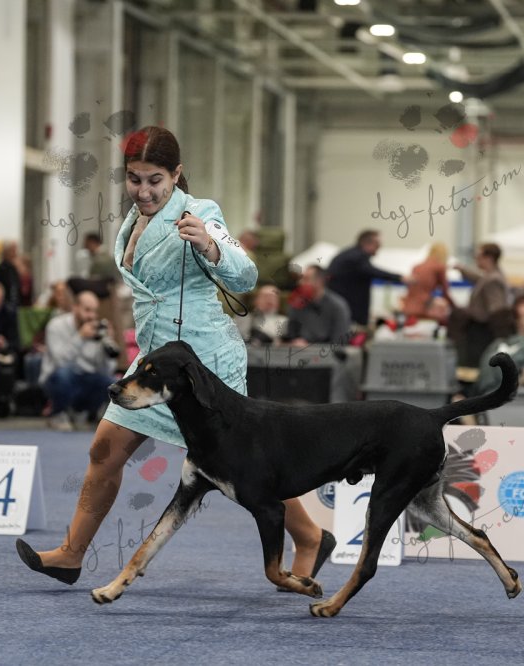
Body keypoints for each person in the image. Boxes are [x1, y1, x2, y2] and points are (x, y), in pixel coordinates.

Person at [17, 126, 334, 586]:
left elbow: (246, 275)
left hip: (204, 363)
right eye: (134, 179)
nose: (144, 191)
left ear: (176, 174)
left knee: (244, 468)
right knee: (104, 450)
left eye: (155, 180)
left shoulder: (201, 212)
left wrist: (209, 244)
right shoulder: (132, 220)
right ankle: (70, 555)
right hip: (155, 360)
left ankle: (310, 537)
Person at [39, 290, 117, 431]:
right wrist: (80, 337)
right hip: (57, 378)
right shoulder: (56, 325)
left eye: (94, 311)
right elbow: (59, 362)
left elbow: (107, 370)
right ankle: (58, 413)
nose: (91, 316)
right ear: (75, 307)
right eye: (87, 310)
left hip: (85, 379)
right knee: (64, 374)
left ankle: (81, 412)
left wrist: (107, 343)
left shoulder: (97, 330)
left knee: (111, 383)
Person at [449, 242, 511, 367]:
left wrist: (500, 339)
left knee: (475, 364)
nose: (476, 259)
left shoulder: (493, 280)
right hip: (482, 330)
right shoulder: (490, 276)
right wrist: (461, 269)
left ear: (488, 258)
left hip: (483, 332)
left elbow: (497, 311)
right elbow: (478, 278)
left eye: (478, 256)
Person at [327, 230, 404, 326]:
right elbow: (374, 272)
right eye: (377, 245)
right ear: (367, 243)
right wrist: (400, 278)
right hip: (348, 308)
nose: (379, 248)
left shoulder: (349, 254)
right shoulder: (356, 257)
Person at [284, 265, 352, 346]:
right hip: (298, 351)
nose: (300, 282)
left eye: (306, 279)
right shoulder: (296, 304)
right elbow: (291, 335)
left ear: (319, 282)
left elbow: (339, 342)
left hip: (326, 352)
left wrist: (310, 348)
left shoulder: (338, 306)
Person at [0, 280, 20, 418]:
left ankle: (3, 399)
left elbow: (16, 342)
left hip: (3, 353)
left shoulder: (9, 313)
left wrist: (4, 344)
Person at [401, 242, 452, 324]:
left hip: (408, 306)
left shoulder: (416, 267)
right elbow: (445, 291)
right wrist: (455, 307)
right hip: (424, 307)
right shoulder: (439, 267)